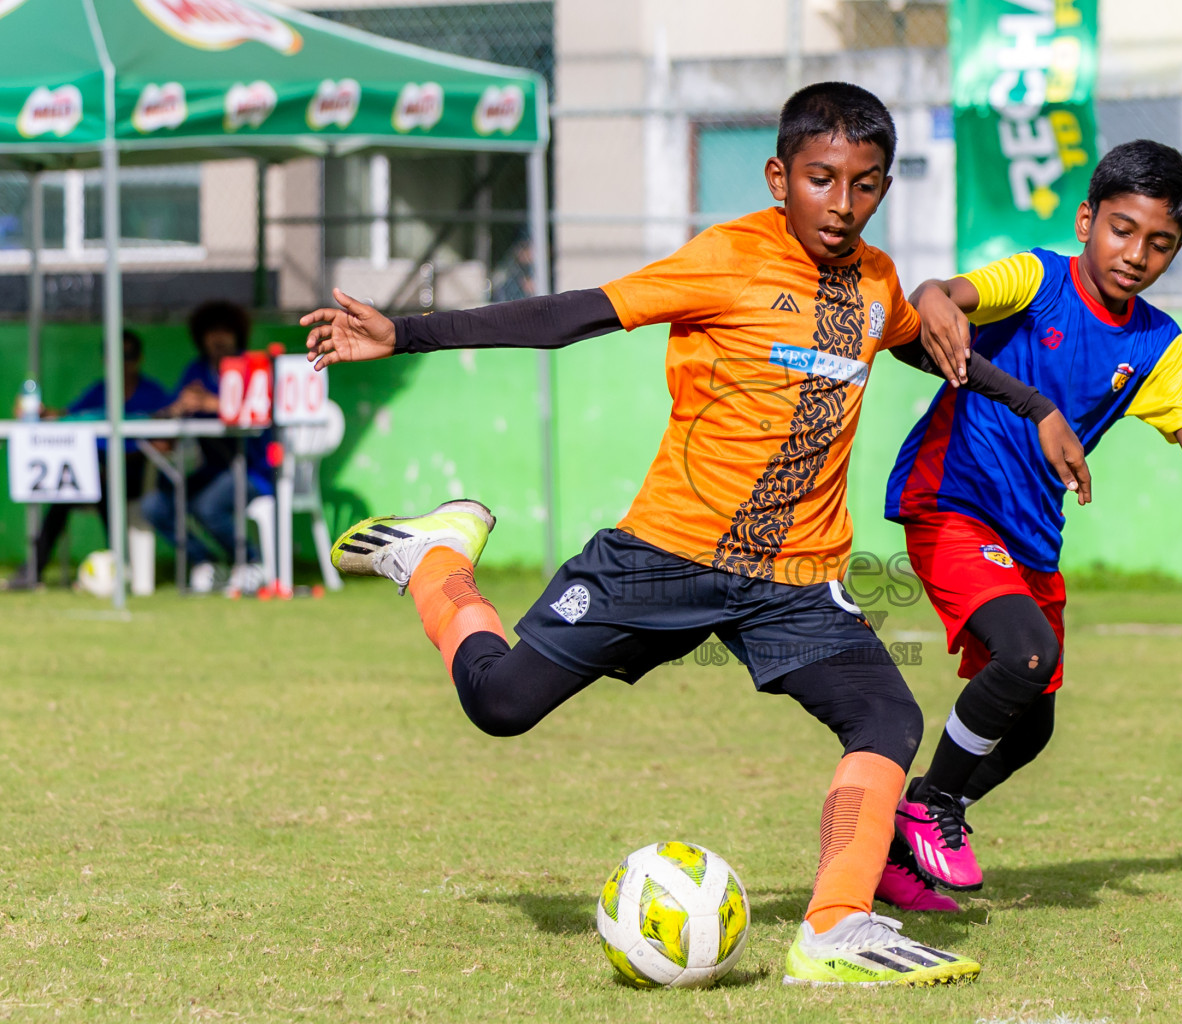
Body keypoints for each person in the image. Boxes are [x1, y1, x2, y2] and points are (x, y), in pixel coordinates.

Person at [302, 82, 1093, 986]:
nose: (842, 206)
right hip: (669, 553)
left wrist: (1033, 408)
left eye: (865, 185)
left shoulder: (874, 282)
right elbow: (574, 315)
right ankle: (434, 556)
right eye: (821, 180)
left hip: (794, 580)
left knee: (885, 714)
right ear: (779, 176)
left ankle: (836, 929)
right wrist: (404, 332)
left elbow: (920, 343)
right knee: (501, 704)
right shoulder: (727, 257)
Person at [879, 140, 1182, 907]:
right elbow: (940, 299)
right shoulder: (1037, 278)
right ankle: (933, 808)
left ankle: (896, 843)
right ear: (1087, 218)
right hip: (951, 502)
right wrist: (928, 292)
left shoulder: (1158, 343)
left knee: (1031, 727)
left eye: (1160, 244)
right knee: (1025, 655)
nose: (1136, 255)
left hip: (1030, 538)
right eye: (1122, 230)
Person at [4, 330, 170, 590]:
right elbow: (69, 416)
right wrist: (42, 412)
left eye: (128, 356)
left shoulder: (153, 393)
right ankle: (33, 570)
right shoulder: (99, 391)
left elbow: (166, 441)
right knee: (63, 494)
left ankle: (119, 564)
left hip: (134, 473)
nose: (121, 362)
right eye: (114, 356)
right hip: (95, 470)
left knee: (105, 485)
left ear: (139, 359)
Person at [141, 300, 271, 593]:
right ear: (201, 337)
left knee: (207, 505)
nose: (218, 338)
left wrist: (211, 403)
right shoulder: (196, 370)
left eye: (225, 331)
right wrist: (177, 408)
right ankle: (207, 562)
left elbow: (258, 409)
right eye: (212, 332)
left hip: (253, 470)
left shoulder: (251, 367)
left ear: (238, 334)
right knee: (155, 506)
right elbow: (175, 413)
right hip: (212, 470)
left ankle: (252, 561)